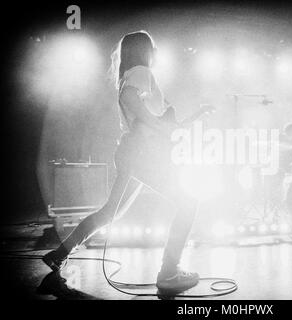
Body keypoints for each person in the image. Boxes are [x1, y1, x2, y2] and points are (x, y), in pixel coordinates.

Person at [43, 30, 201, 293]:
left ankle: (59, 254)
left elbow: (148, 117)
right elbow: (131, 99)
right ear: (145, 50)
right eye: (153, 46)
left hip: (131, 153)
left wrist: (173, 123)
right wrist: (158, 126)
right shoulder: (142, 71)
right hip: (141, 155)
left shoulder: (130, 72)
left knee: (109, 213)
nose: (156, 51)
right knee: (188, 203)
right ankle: (169, 273)